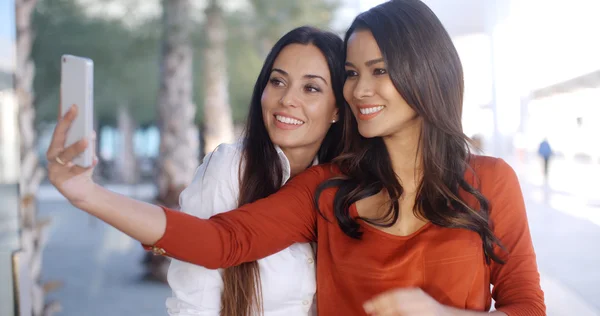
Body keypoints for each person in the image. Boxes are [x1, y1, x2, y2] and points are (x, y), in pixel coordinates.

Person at [46, 1, 545, 315]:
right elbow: (220, 241)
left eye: (379, 71)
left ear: (426, 74)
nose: (360, 90)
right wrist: (88, 194)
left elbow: (526, 307)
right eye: (351, 73)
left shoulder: (490, 181)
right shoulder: (330, 188)